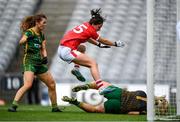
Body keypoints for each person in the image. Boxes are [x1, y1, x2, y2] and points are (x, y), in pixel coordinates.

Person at [8, 14, 61, 112]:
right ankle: (14, 105)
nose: (45, 25)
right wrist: (24, 40)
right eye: (43, 23)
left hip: (39, 63)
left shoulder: (41, 34)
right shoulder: (30, 32)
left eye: (46, 23)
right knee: (28, 84)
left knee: (52, 84)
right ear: (37, 22)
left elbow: (43, 48)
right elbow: (21, 41)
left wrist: (45, 57)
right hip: (29, 61)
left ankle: (55, 107)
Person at [58, 8, 124, 83]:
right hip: (67, 51)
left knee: (82, 48)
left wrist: (98, 45)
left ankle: (76, 69)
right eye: (99, 27)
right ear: (93, 24)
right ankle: (101, 86)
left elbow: (87, 38)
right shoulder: (91, 30)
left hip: (61, 49)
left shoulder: (85, 25)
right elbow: (104, 41)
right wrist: (115, 44)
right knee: (93, 63)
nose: (99, 29)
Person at [62, 80, 169, 115]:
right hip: (119, 106)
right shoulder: (144, 110)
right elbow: (130, 113)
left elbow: (153, 97)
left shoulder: (143, 94)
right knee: (95, 109)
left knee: (102, 83)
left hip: (120, 94)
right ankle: (75, 102)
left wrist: (159, 97)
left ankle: (88, 86)